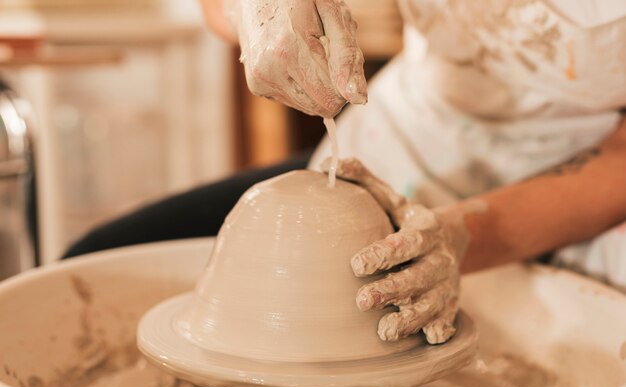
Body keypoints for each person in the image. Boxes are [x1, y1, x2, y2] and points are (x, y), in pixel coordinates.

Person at [66, 0, 626, 344]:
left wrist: (467, 234)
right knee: (90, 266)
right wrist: (251, 9)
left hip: (570, 192)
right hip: (388, 138)